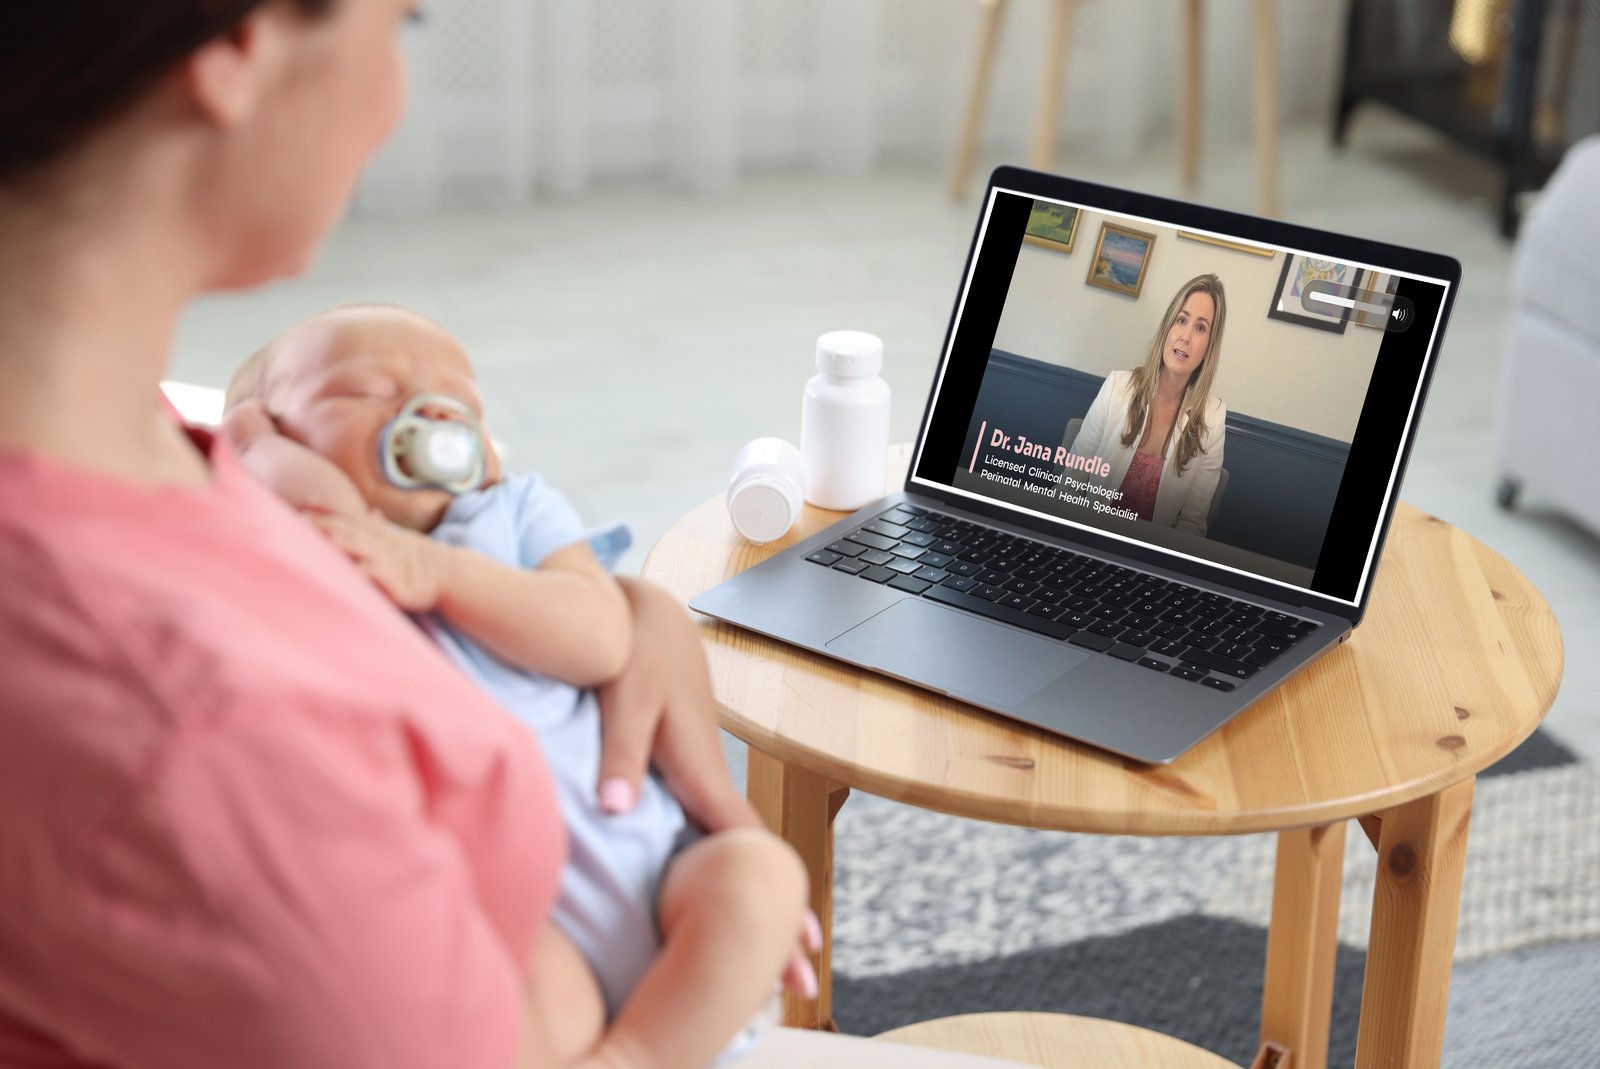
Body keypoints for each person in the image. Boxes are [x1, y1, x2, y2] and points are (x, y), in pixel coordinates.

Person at [0, 3, 1038, 1066]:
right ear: (238, 47)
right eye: (402, 19)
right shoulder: (190, 732)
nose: (393, 96)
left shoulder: (143, 435)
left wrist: (639, 623)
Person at [220, 301, 810, 1067]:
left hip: (656, 869)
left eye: (460, 400)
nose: (430, 408)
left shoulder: (514, 512)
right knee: (537, 1007)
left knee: (761, 874)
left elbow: (600, 636)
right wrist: (248, 442)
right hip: (513, 922)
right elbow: (287, 495)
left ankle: (639, 1053)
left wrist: (442, 571)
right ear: (274, 438)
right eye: (365, 390)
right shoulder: (333, 544)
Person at [1063, 274, 1228, 536]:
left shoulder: (1214, 419)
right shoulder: (1117, 386)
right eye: (1182, 320)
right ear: (1167, 327)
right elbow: (1070, 485)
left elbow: (1191, 526)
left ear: (1210, 346)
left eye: (1201, 327)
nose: (1186, 336)